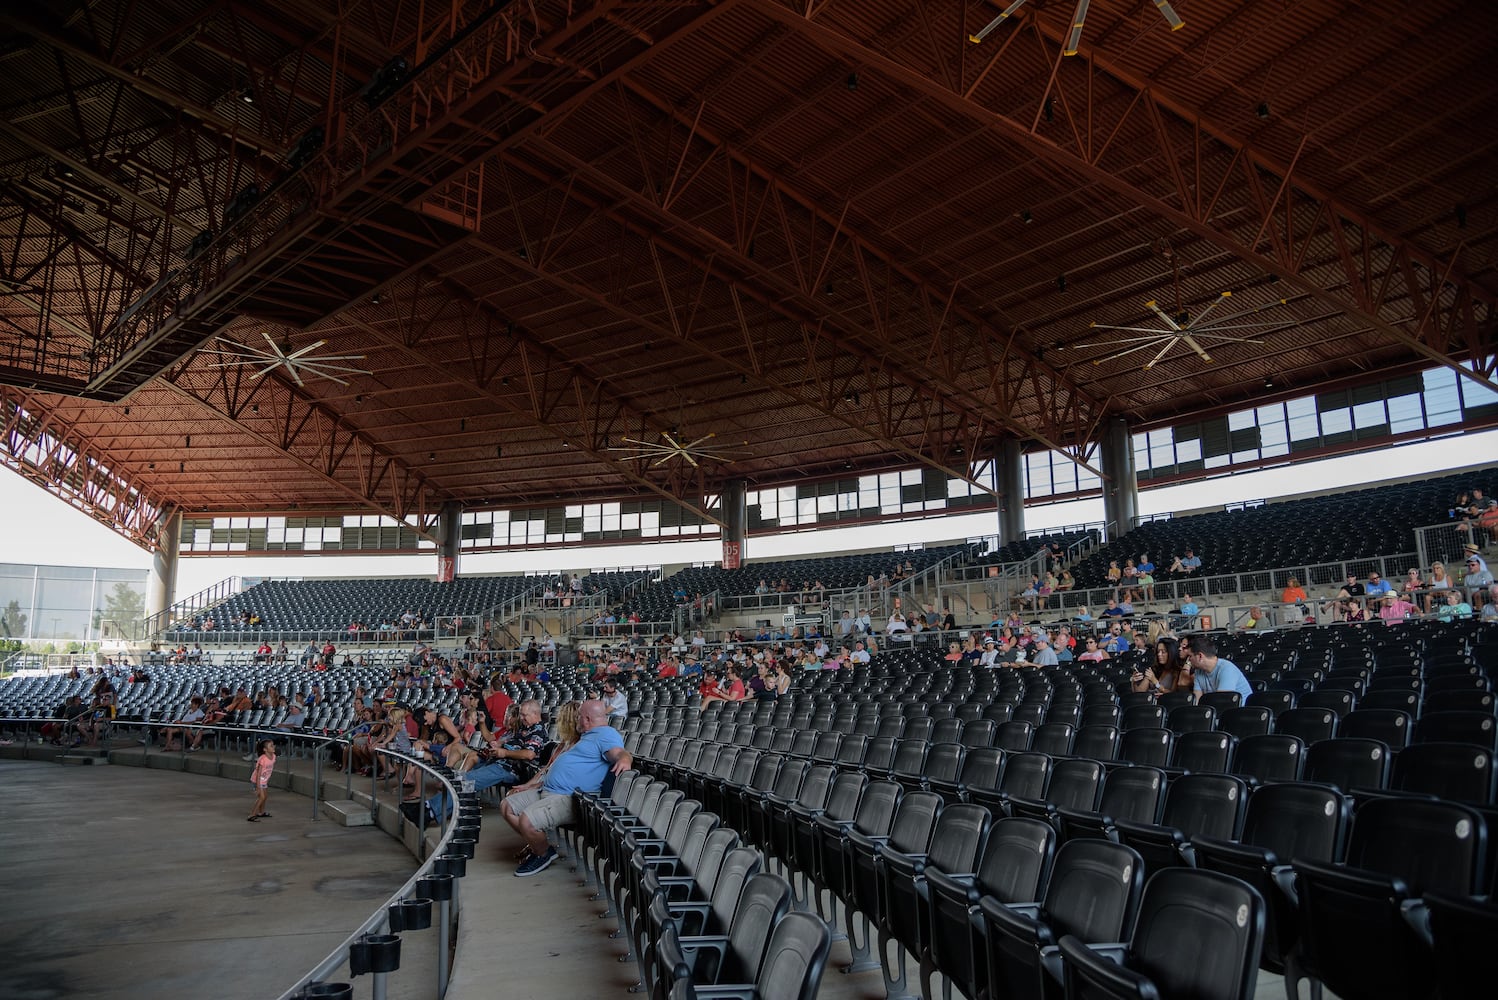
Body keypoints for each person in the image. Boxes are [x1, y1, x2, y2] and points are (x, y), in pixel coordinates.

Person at [501, 700, 631, 876]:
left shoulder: (605, 734)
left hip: (568, 798)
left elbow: (619, 753)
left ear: (586, 719)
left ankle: (542, 853)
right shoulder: (586, 736)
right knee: (507, 805)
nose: (576, 719)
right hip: (547, 790)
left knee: (526, 821)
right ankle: (536, 845)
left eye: (578, 717)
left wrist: (625, 759)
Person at [1186, 635, 1252, 703]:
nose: (1188, 660)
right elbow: (1197, 701)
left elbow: (1221, 701)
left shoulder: (1227, 669)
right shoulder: (1198, 672)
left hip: (1241, 711)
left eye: (1190, 656)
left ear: (1200, 656)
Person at [247, 739, 276, 822]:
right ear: (265, 750)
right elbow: (258, 774)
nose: (273, 747)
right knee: (261, 797)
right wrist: (258, 787)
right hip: (257, 781)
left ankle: (261, 812)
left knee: (265, 797)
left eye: (273, 745)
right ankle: (252, 815)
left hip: (264, 780)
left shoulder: (273, 756)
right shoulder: (262, 759)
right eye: (271, 746)